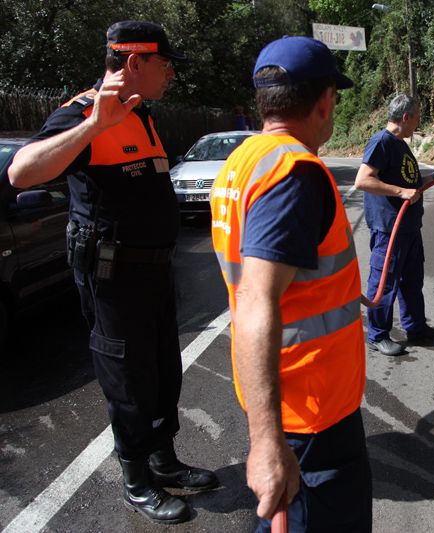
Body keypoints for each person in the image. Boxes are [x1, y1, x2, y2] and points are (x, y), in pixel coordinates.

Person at [8, 21, 217, 524]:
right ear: (133, 63)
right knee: (128, 378)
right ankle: (136, 479)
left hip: (155, 272)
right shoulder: (83, 112)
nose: (170, 75)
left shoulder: (143, 114)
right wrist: (93, 127)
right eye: (164, 65)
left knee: (166, 369)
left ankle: (164, 461)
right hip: (112, 276)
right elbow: (20, 171)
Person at [210, 36, 372, 532]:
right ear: (325, 102)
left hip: (298, 405)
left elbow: (289, 276)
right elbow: (258, 298)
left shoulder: (242, 162)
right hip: (311, 413)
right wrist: (266, 443)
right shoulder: (295, 174)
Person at [354, 94, 434, 356]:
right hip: (389, 229)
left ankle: (415, 327)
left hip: (409, 227)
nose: (418, 123)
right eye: (416, 117)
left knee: (411, 280)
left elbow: (409, 182)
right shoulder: (381, 142)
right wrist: (399, 192)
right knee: (385, 282)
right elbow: (363, 180)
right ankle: (378, 335)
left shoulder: (400, 144)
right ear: (406, 117)